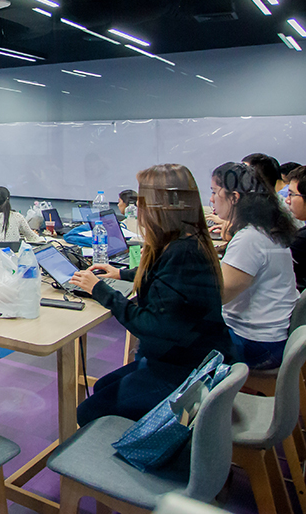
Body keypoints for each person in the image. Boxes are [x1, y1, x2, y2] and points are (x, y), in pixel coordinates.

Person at [70, 164, 231, 426]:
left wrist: (100, 290)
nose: (139, 207)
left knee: (87, 412)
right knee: (102, 387)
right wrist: (121, 274)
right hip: (189, 357)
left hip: (184, 372)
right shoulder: (188, 240)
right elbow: (166, 280)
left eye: (143, 200)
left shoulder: (182, 253)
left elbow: (150, 325)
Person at [211, 162, 299, 370]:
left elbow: (217, 297)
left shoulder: (249, 239)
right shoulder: (266, 229)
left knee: (171, 337)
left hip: (255, 344)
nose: (212, 199)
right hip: (268, 337)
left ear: (234, 197)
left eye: (214, 192)